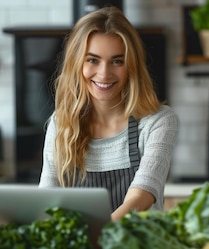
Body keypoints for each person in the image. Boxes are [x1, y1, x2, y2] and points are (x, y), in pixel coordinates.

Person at [38, 6, 179, 221]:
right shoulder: (61, 123)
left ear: (131, 65)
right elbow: (46, 198)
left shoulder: (157, 122)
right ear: (77, 64)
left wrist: (98, 236)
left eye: (117, 61)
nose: (104, 74)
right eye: (92, 60)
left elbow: (140, 197)